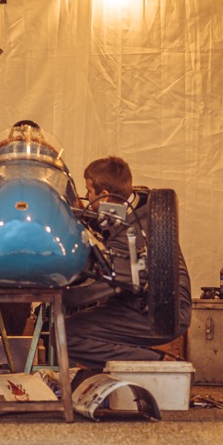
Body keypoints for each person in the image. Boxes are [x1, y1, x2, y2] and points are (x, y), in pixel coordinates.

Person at [63, 155, 192, 372]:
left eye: (89, 192)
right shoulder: (141, 204)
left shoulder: (131, 235)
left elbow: (96, 288)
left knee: (66, 335)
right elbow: (113, 222)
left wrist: (53, 293)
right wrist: (85, 215)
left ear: (104, 195)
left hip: (159, 312)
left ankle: (158, 365)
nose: (86, 197)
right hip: (146, 300)